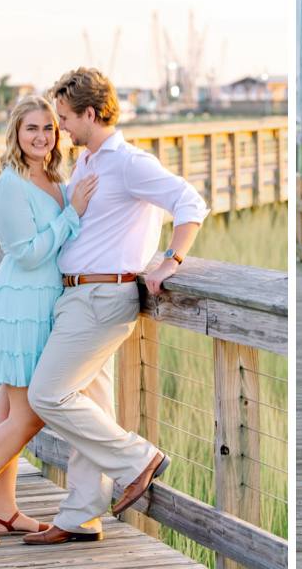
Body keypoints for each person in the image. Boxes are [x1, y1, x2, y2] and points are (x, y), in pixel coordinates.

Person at [23, 67, 209, 546]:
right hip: (78, 294)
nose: (60, 126)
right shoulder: (87, 162)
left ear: (90, 112)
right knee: (91, 404)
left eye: (65, 117)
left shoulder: (128, 163)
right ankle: (81, 515)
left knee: (47, 395)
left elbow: (189, 202)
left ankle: (137, 459)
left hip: (103, 297)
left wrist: (172, 258)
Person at [0, 95, 98, 545]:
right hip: (20, 306)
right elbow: (26, 253)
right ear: (16, 132)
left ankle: (6, 511)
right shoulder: (12, 183)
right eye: (31, 128)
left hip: (45, 304)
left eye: (49, 128)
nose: (41, 136)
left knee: (9, 414)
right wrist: (72, 215)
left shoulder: (53, 177)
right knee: (29, 416)